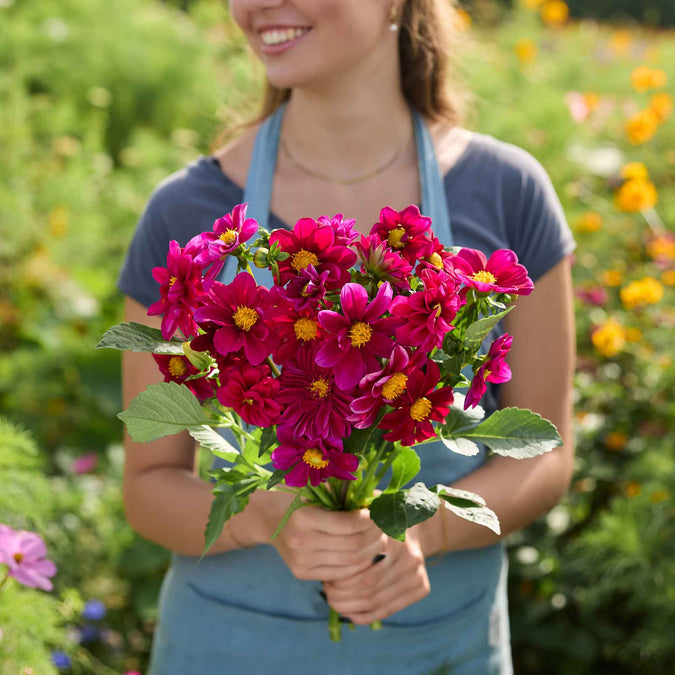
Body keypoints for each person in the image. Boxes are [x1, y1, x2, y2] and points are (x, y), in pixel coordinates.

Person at [117, 1, 576, 673]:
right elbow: (148, 485)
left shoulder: (506, 192)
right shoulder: (188, 210)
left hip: (438, 644)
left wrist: (426, 528)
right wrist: (263, 517)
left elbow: (543, 453)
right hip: (229, 649)